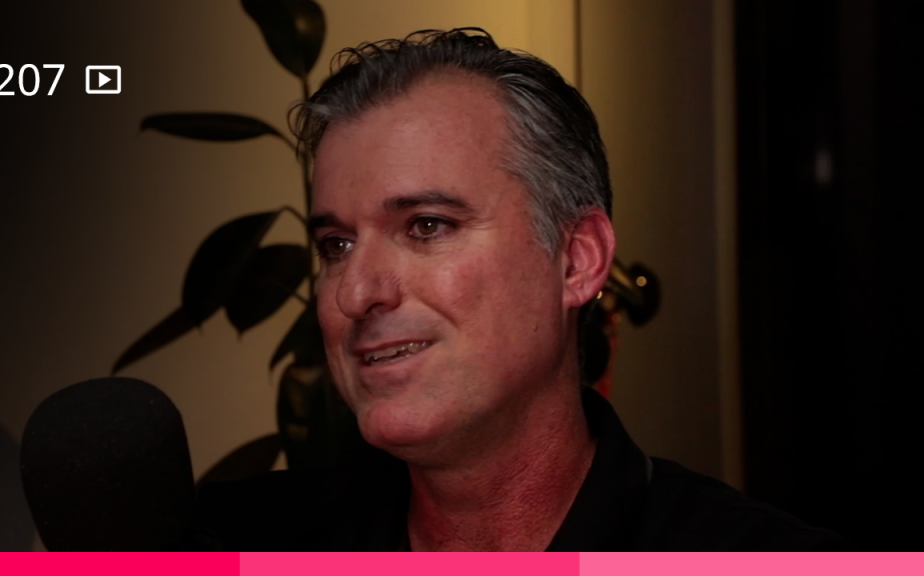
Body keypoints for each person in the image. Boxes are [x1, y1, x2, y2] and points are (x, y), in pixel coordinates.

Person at [197, 28, 850, 551]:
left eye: (426, 226)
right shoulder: (219, 543)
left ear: (577, 262)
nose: (355, 292)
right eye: (336, 246)